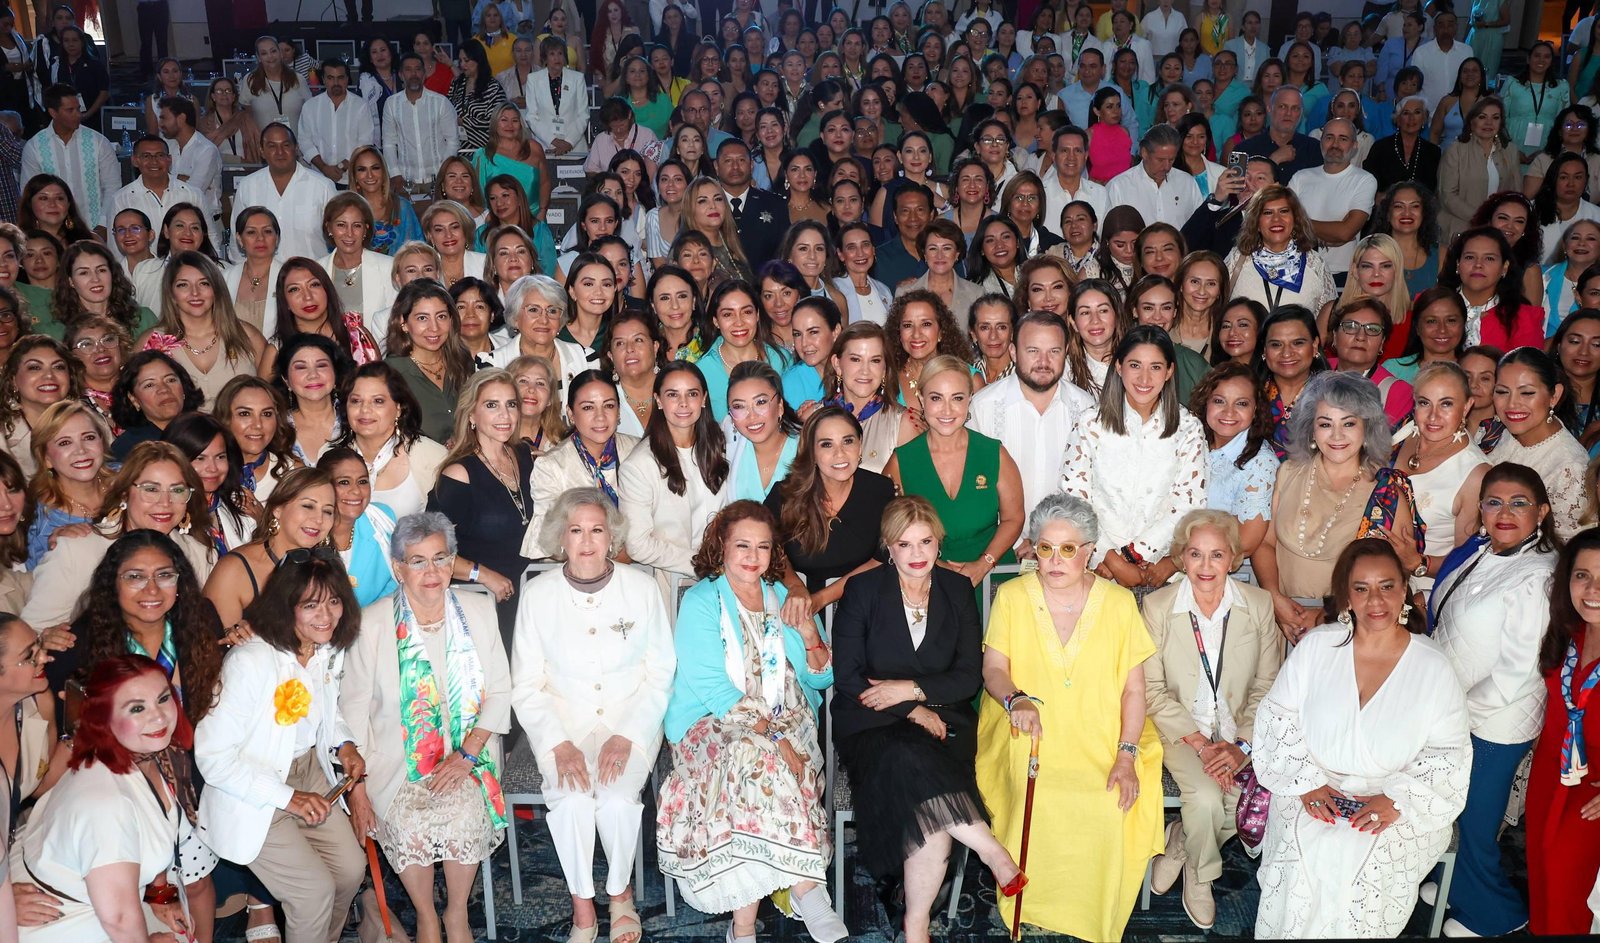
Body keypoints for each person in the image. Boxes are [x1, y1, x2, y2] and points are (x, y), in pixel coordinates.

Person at [1250, 538, 1472, 938]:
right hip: (1312, 787)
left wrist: (1396, 799)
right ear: (1346, 597)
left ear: (1404, 591)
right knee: (1302, 861)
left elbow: (1448, 754)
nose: (1376, 600)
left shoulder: (1433, 666)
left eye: (1387, 586)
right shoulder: (1317, 647)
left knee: (1361, 870)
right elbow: (1277, 717)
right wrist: (1306, 782)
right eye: (1362, 588)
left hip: (1397, 801)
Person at [831, 495, 1025, 943]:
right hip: (872, 721)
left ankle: (915, 924)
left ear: (939, 542)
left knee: (930, 810)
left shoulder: (957, 589)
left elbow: (968, 677)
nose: (916, 554)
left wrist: (912, 690)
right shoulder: (863, 590)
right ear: (888, 547)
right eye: (904, 544)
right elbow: (848, 677)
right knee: (906, 755)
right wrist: (910, 708)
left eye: (925, 542)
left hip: (944, 721)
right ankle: (992, 853)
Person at [655, 500, 847, 941]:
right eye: (742, 545)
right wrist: (775, 739)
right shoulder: (702, 601)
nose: (752, 556)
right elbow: (713, 688)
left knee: (758, 765)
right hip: (713, 721)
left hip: (788, 717)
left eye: (762, 547)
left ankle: (742, 929)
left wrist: (810, 633)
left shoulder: (784, 596)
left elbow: (823, 678)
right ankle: (807, 888)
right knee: (752, 755)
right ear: (721, 545)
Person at [975, 492, 1162, 938]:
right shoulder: (1013, 596)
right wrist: (1015, 700)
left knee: (1108, 801)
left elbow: (1134, 690)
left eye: (1068, 548)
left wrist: (1125, 755)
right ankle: (1031, 902)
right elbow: (993, 670)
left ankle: (1092, 913)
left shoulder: (1118, 603)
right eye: (1045, 548)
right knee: (1036, 793)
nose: (1055, 560)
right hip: (1023, 725)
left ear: (1089, 551)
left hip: (1105, 729)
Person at [511, 487, 673, 943]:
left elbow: (661, 673)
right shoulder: (538, 595)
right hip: (563, 723)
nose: (586, 541)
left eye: (597, 530)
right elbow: (526, 684)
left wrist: (629, 734)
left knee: (617, 798)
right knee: (573, 799)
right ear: (560, 538)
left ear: (611, 536)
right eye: (576, 531)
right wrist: (557, 743)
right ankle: (583, 906)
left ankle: (619, 893)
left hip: (630, 717)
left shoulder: (641, 588)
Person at [341, 511, 510, 943]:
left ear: (452, 562)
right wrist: (358, 789)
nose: (431, 571)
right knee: (411, 828)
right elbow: (352, 715)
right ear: (398, 568)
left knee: (462, 817)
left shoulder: (478, 610)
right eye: (418, 561)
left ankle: (456, 914)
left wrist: (467, 754)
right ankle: (426, 915)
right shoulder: (371, 624)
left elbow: (501, 692)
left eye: (440, 559)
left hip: (469, 755)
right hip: (396, 764)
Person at [195, 551, 367, 943]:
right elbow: (212, 757)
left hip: (309, 771)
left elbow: (326, 709)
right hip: (254, 789)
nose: (326, 615)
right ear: (285, 606)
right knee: (312, 893)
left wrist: (344, 744)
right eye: (310, 605)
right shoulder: (250, 662)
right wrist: (288, 797)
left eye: (334, 601)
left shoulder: (323, 649)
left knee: (349, 872)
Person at [1417, 462, 1550, 935]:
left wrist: (1452, 709)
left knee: (1476, 820)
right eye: (1494, 502)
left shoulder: (1537, 575)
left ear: (1542, 512)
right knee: (1452, 809)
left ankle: (1495, 914)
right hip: (1460, 710)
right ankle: (1456, 886)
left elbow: (1516, 673)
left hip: (1497, 720)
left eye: (1519, 503)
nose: (1504, 513)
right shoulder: (1484, 550)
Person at [1143, 509, 1282, 929]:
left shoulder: (1258, 605)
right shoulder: (1158, 606)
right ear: (1182, 558)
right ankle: (1202, 877)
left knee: (1242, 799)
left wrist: (1240, 747)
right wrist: (1203, 746)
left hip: (1239, 732)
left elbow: (1269, 684)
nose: (1206, 566)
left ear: (1233, 559)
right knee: (1205, 799)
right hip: (1181, 731)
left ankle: (1181, 843)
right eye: (1195, 554)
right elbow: (1152, 690)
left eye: (1217, 555)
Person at [13, 655, 189, 943]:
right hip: (66, 927)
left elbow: (152, 829)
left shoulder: (138, 751)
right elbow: (119, 919)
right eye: (137, 708)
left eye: (163, 698)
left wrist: (159, 893)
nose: (159, 717)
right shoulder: (107, 805)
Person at [1257, 370, 1424, 641]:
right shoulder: (1288, 473)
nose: (1337, 435)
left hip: (1349, 631)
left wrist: (1326, 616)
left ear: (1367, 428)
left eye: (1348, 423)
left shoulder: (1386, 493)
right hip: (1280, 621)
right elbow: (1265, 543)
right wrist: (1274, 598)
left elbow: (1392, 579)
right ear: (1311, 429)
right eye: (1325, 424)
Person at [1061, 324, 1206, 589]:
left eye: (1156, 367)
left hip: (1160, 571)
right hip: (1097, 569)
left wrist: (1131, 556)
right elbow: (1075, 498)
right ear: (1119, 367)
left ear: (1169, 371)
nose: (1144, 378)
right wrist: (1110, 559)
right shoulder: (1089, 423)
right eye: (1135, 365)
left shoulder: (1188, 428)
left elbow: (1189, 503)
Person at [21, 440, 216, 632]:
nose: (165, 502)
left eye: (177, 490)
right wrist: (47, 638)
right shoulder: (75, 551)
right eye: (150, 489)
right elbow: (33, 631)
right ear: (124, 493)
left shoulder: (199, 553)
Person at [1526, 527, 1600, 932]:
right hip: (1549, 772)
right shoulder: (1568, 632)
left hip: (1591, 788)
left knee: (1568, 884)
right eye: (1582, 575)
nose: (1592, 589)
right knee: (1540, 873)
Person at [619, 361, 730, 591]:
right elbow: (637, 544)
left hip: (728, 575)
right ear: (658, 400)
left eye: (692, 394)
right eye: (672, 394)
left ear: (704, 398)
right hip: (673, 582)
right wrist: (700, 564)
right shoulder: (640, 465)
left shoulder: (721, 446)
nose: (683, 403)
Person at [1188, 362, 1278, 561]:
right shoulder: (1191, 442)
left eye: (1241, 403)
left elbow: (1245, 543)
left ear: (1256, 408)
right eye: (1219, 401)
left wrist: (1174, 561)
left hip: (1220, 569)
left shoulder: (1260, 463)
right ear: (1206, 402)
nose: (1229, 412)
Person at [337, 361, 445, 520]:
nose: (365, 409)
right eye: (356, 401)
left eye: (378, 401)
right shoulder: (329, 454)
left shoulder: (433, 457)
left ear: (399, 408)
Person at [18, 83, 117, 234]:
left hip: (94, 228)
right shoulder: (35, 147)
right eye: (70, 110)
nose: (78, 114)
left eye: (78, 108)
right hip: (52, 232)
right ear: (53, 112)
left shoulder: (98, 142)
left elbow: (112, 187)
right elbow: (29, 192)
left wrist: (103, 225)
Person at [1225, 185, 1339, 316]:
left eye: (1284, 211)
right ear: (1256, 223)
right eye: (1268, 212)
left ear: (1295, 219)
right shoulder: (1237, 258)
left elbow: (1328, 321)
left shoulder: (1315, 264)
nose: (1276, 219)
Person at [231, 123, 338, 261]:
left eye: (286, 145)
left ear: (296, 148)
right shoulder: (247, 186)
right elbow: (236, 236)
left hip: (312, 271)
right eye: (272, 146)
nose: (280, 152)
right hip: (263, 272)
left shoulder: (323, 187)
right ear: (262, 151)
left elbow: (338, 236)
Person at [385, 279, 474, 443]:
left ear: (451, 320)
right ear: (403, 323)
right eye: (422, 318)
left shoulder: (462, 360)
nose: (434, 327)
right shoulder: (391, 373)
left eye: (441, 316)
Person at [1437, 98, 1523, 246]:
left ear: (1501, 122)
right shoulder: (1455, 150)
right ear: (1471, 121)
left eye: (1495, 118)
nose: (1489, 123)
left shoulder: (1511, 151)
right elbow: (1447, 196)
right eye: (1482, 117)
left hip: (1499, 230)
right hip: (1460, 227)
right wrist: (1482, 218)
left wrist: (1500, 220)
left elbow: (1516, 193)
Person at [383, 53, 463, 194]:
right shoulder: (391, 104)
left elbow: (452, 141)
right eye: (408, 70)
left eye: (418, 69)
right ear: (401, 75)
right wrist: (395, 174)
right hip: (405, 180)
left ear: (424, 74)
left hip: (438, 179)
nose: (414, 74)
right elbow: (389, 143)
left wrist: (444, 172)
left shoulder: (441, 102)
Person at [298, 59, 377, 188]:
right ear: (323, 79)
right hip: (319, 178)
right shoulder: (310, 107)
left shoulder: (360, 106)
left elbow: (365, 141)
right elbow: (304, 141)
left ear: (347, 79)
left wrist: (341, 167)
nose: (336, 83)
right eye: (330, 78)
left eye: (340, 78)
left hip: (352, 179)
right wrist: (324, 168)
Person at [527, 34, 591, 157]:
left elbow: (583, 115)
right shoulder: (533, 80)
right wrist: (553, 141)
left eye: (560, 53)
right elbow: (532, 117)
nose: (557, 58)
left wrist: (569, 142)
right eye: (552, 54)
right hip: (544, 148)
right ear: (545, 58)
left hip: (574, 148)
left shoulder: (577, 78)